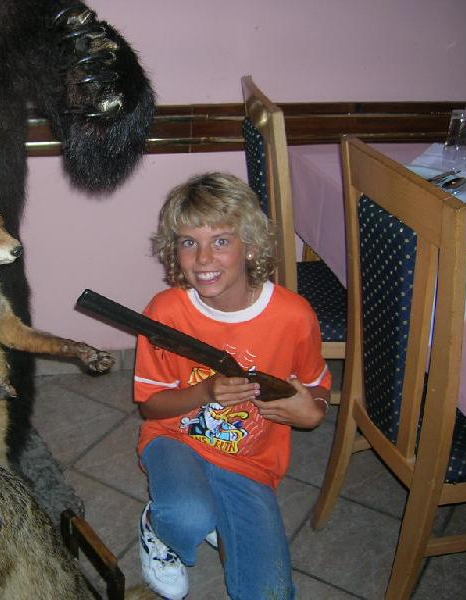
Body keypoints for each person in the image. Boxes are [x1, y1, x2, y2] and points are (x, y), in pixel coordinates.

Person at [134, 172, 331, 599]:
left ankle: (213, 515)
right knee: (186, 516)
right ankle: (158, 526)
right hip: (175, 439)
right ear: (174, 250)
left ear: (251, 246)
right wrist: (205, 392)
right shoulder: (165, 312)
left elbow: (317, 389)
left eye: (221, 240)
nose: (204, 258)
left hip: (251, 462)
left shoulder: (294, 316)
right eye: (189, 242)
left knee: (270, 594)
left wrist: (312, 412)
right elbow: (150, 407)